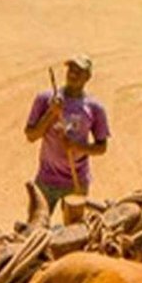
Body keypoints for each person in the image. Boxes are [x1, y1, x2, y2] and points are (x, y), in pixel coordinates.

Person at [24, 55, 110, 209]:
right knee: (35, 228)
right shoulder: (45, 99)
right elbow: (31, 136)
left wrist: (76, 147)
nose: (73, 74)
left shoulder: (95, 108)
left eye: (79, 71)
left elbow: (101, 147)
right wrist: (51, 113)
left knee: (74, 230)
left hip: (77, 182)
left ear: (88, 77)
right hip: (46, 180)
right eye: (71, 69)